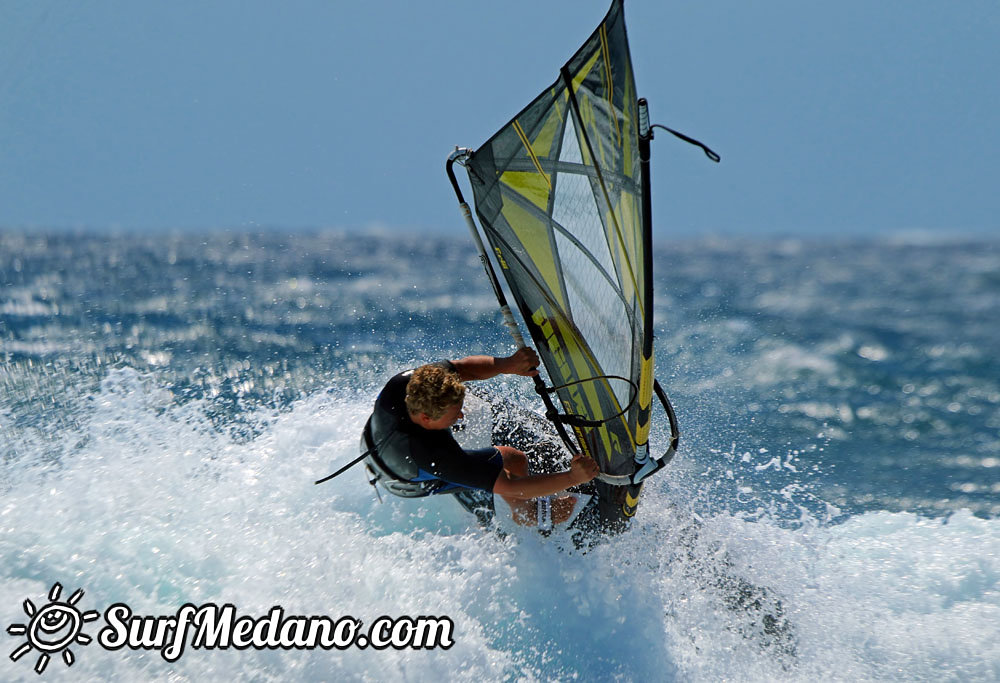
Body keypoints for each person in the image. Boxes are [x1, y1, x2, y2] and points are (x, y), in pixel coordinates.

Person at [367, 347, 599, 525]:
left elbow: (462, 369)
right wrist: (573, 477)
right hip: (405, 478)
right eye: (453, 414)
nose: (460, 416)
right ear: (427, 419)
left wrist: (508, 364)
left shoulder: (407, 383)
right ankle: (526, 513)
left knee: (474, 398)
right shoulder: (436, 456)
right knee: (512, 458)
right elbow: (510, 485)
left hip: (379, 437)